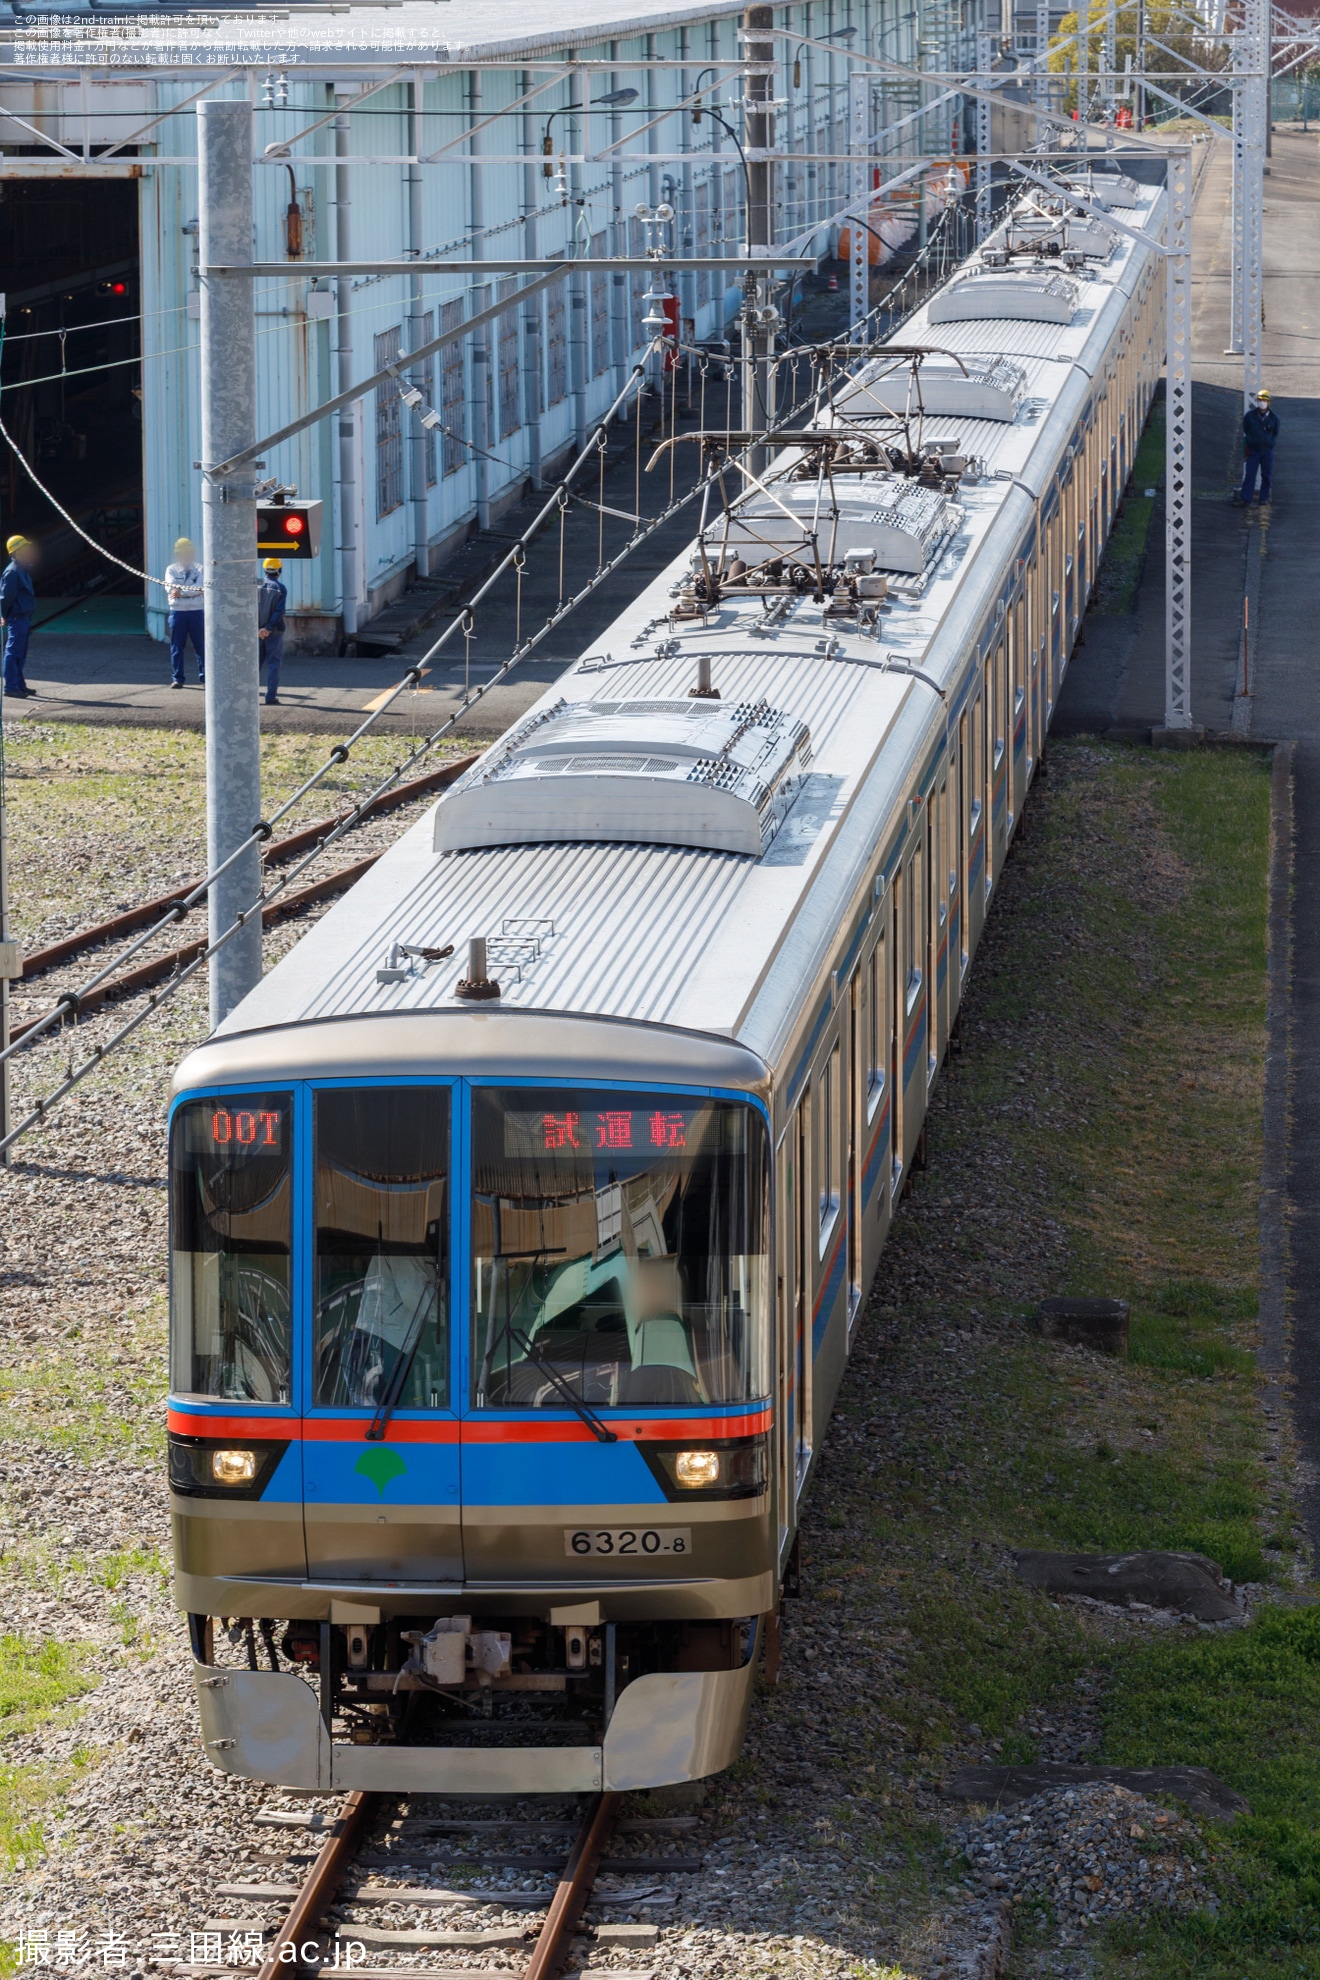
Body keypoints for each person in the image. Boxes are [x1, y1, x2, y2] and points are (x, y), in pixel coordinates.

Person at [0, 535, 37, 700]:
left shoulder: (21, 569)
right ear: (16, 552)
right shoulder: (13, 572)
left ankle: (19, 685)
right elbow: (5, 597)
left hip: (23, 617)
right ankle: (10, 686)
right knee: (13, 651)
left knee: (20, 653)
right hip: (17, 618)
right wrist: (3, 615)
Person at [165, 535, 205, 687]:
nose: (185, 556)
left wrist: (181, 592)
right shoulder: (171, 569)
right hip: (177, 611)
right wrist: (193, 591)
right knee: (177, 646)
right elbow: (170, 587)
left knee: (201, 646)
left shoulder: (200, 568)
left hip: (197, 610)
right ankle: (178, 678)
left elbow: (201, 588)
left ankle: (204, 677)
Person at [1236, 387, 1280, 506]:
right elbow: (1246, 428)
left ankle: (1264, 499)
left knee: (1267, 475)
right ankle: (1246, 499)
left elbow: (1275, 432)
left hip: (1267, 450)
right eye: (1260, 400)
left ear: (1269, 402)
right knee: (1250, 475)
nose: (1262, 402)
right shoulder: (1250, 416)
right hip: (1254, 450)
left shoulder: (1274, 418)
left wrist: (1268, 442)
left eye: (1264, 400)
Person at [257, 557, 287, 706]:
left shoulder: (256, 586)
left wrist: (258, 629)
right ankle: (270, 696)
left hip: (256, 631)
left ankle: (248, 696)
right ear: (279, 571)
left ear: (264, 570)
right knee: (274, 663)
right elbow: (279, 611)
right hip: (273, 631)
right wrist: (267, 628)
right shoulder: (280, 588)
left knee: (254, 664)